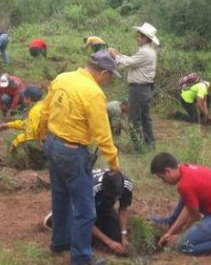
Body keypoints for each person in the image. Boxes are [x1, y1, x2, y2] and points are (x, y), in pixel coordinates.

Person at [37, 50, 122, 265]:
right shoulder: (93, 93)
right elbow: (103, 134)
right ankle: (82, 258)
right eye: (110, 76)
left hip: (53, 144)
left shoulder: (63, 78)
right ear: (102, 72)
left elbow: (45, 110)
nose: (108, 81)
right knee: (85, 211)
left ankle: (59, 243)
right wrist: (114, 164)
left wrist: (41, 133)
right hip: (72, 152)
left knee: (60, 198)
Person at [150, 152, 211, 257]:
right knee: (185, 197)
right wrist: (171, 232)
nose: (163, 182)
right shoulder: (185, 168)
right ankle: (171, 222)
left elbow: (195, 216)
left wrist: (182, 235)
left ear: (168, 171)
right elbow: (188, 206)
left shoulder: (185, 185)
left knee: (183, 246)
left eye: (162, 178)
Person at [44, 169, 133, 257]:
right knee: (84, 240)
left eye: (118, 195)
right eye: (112, 195)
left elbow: (123, 209)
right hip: (79, 207)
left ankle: (98, 221)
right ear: (103, 187)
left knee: (117, 239)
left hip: (103, 206)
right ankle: (59, 219)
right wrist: (109, 242)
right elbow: (85, 219)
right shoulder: (89, 189)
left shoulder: (126, 185)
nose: (117, 197)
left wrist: (123, 235)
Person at [109, 23, 159, 152]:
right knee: (145, 118)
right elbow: (132, 60)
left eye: (139, 36)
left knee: (134, 120)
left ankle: (139, 149)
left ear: (145, 39)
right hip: (144, 89)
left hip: (138, 90)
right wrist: (119, 55)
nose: (137, 38)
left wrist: (115, 55)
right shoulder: (148, 51)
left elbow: (128, 63)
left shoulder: (145, 52)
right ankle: (149, 145)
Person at [0, 85, 47, 170]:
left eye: (24, 97)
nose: (23, 100)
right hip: (53, 139)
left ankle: (41, 165)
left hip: (48, 142)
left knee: (27, 143)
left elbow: (30, 134)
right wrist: (8, 125)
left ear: (29, 99)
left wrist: (15, 142)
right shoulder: (41, 106)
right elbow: (27, 124)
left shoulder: (35, 111)